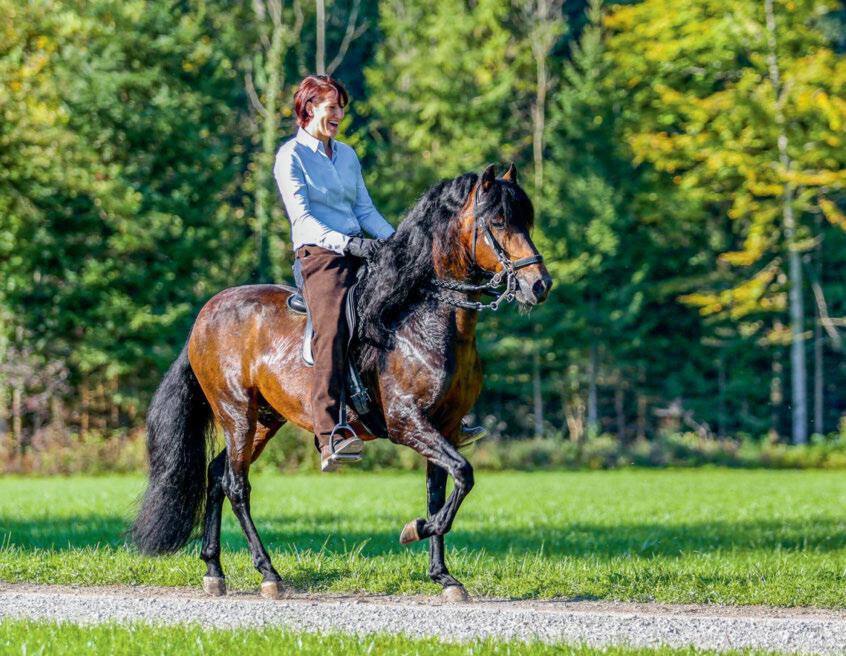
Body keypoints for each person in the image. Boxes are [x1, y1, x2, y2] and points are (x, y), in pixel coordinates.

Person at [274, 75, 486, 473]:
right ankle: (330, 431)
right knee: (333, 327)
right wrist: (349, 244)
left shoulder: (347, 155)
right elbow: (302, 219)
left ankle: (446, 409)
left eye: (341, 107)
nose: (338, 114)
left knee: (420, 305)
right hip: (321, 256)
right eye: (331, 106)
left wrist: (402, 244)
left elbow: (365, 211)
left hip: (360, 248)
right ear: (308, 109)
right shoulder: (290, 157)